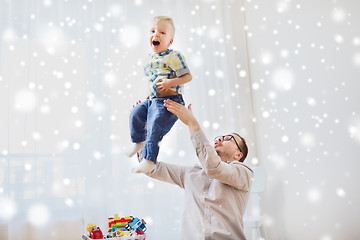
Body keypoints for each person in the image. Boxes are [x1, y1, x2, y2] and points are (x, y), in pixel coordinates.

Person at [138, 99, 254, 240]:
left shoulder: (244, 173)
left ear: (238, 155)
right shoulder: (191, 173)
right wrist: (144, 131)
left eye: (229, 139)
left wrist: (192, 123)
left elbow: (214, 168)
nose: (221, 139)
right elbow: (150, 168)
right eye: (220, 137)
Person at [128, 16, 192, 174]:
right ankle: (138, 141)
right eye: (153, 31)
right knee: (135, 114)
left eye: (162, 32)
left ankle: (149, 160)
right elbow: (150, 82)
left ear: (170, 41)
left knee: (156, 125)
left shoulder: (174, 56)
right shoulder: (149, 59)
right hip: (153, 100)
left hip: (170, 100)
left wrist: (170, 83)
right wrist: (147, 100)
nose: (156, 34)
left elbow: (187, 77)